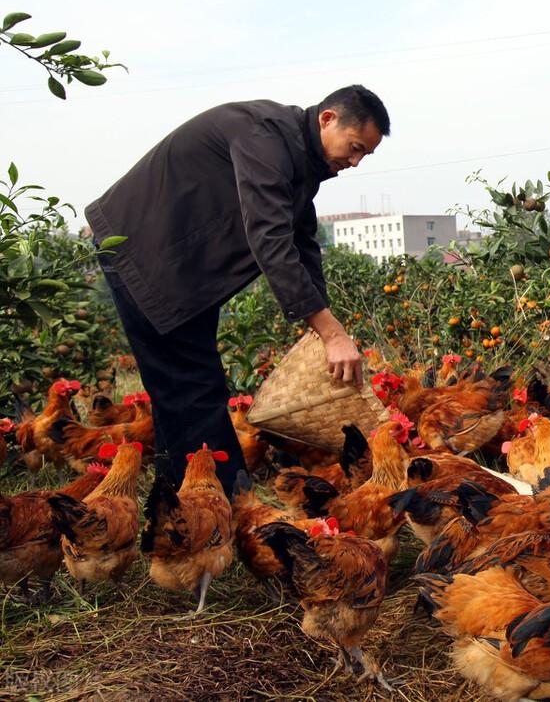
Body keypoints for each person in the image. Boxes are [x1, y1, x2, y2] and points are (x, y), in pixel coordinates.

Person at [85, 86, 389, 495]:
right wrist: (330, 333)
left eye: (363, 156)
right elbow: (270, 238)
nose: (354, 162)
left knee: (186, 382)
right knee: (192, 383)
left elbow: (303, 242)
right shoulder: (264, 137)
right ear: (328, 119)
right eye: (354, 148)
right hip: (140, 252)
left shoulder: (300, 158)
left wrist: (325, 326)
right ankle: (223, 501)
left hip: (184, 264)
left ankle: (183, 493)